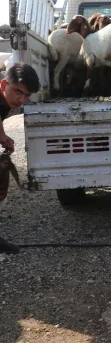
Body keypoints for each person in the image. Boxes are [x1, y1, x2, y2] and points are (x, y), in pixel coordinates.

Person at [0, 62, 40, 254]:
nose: (21, 99)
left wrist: (3, 135)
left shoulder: (4, 102)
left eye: (26, 95)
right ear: (3, 85)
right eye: (18, 91)